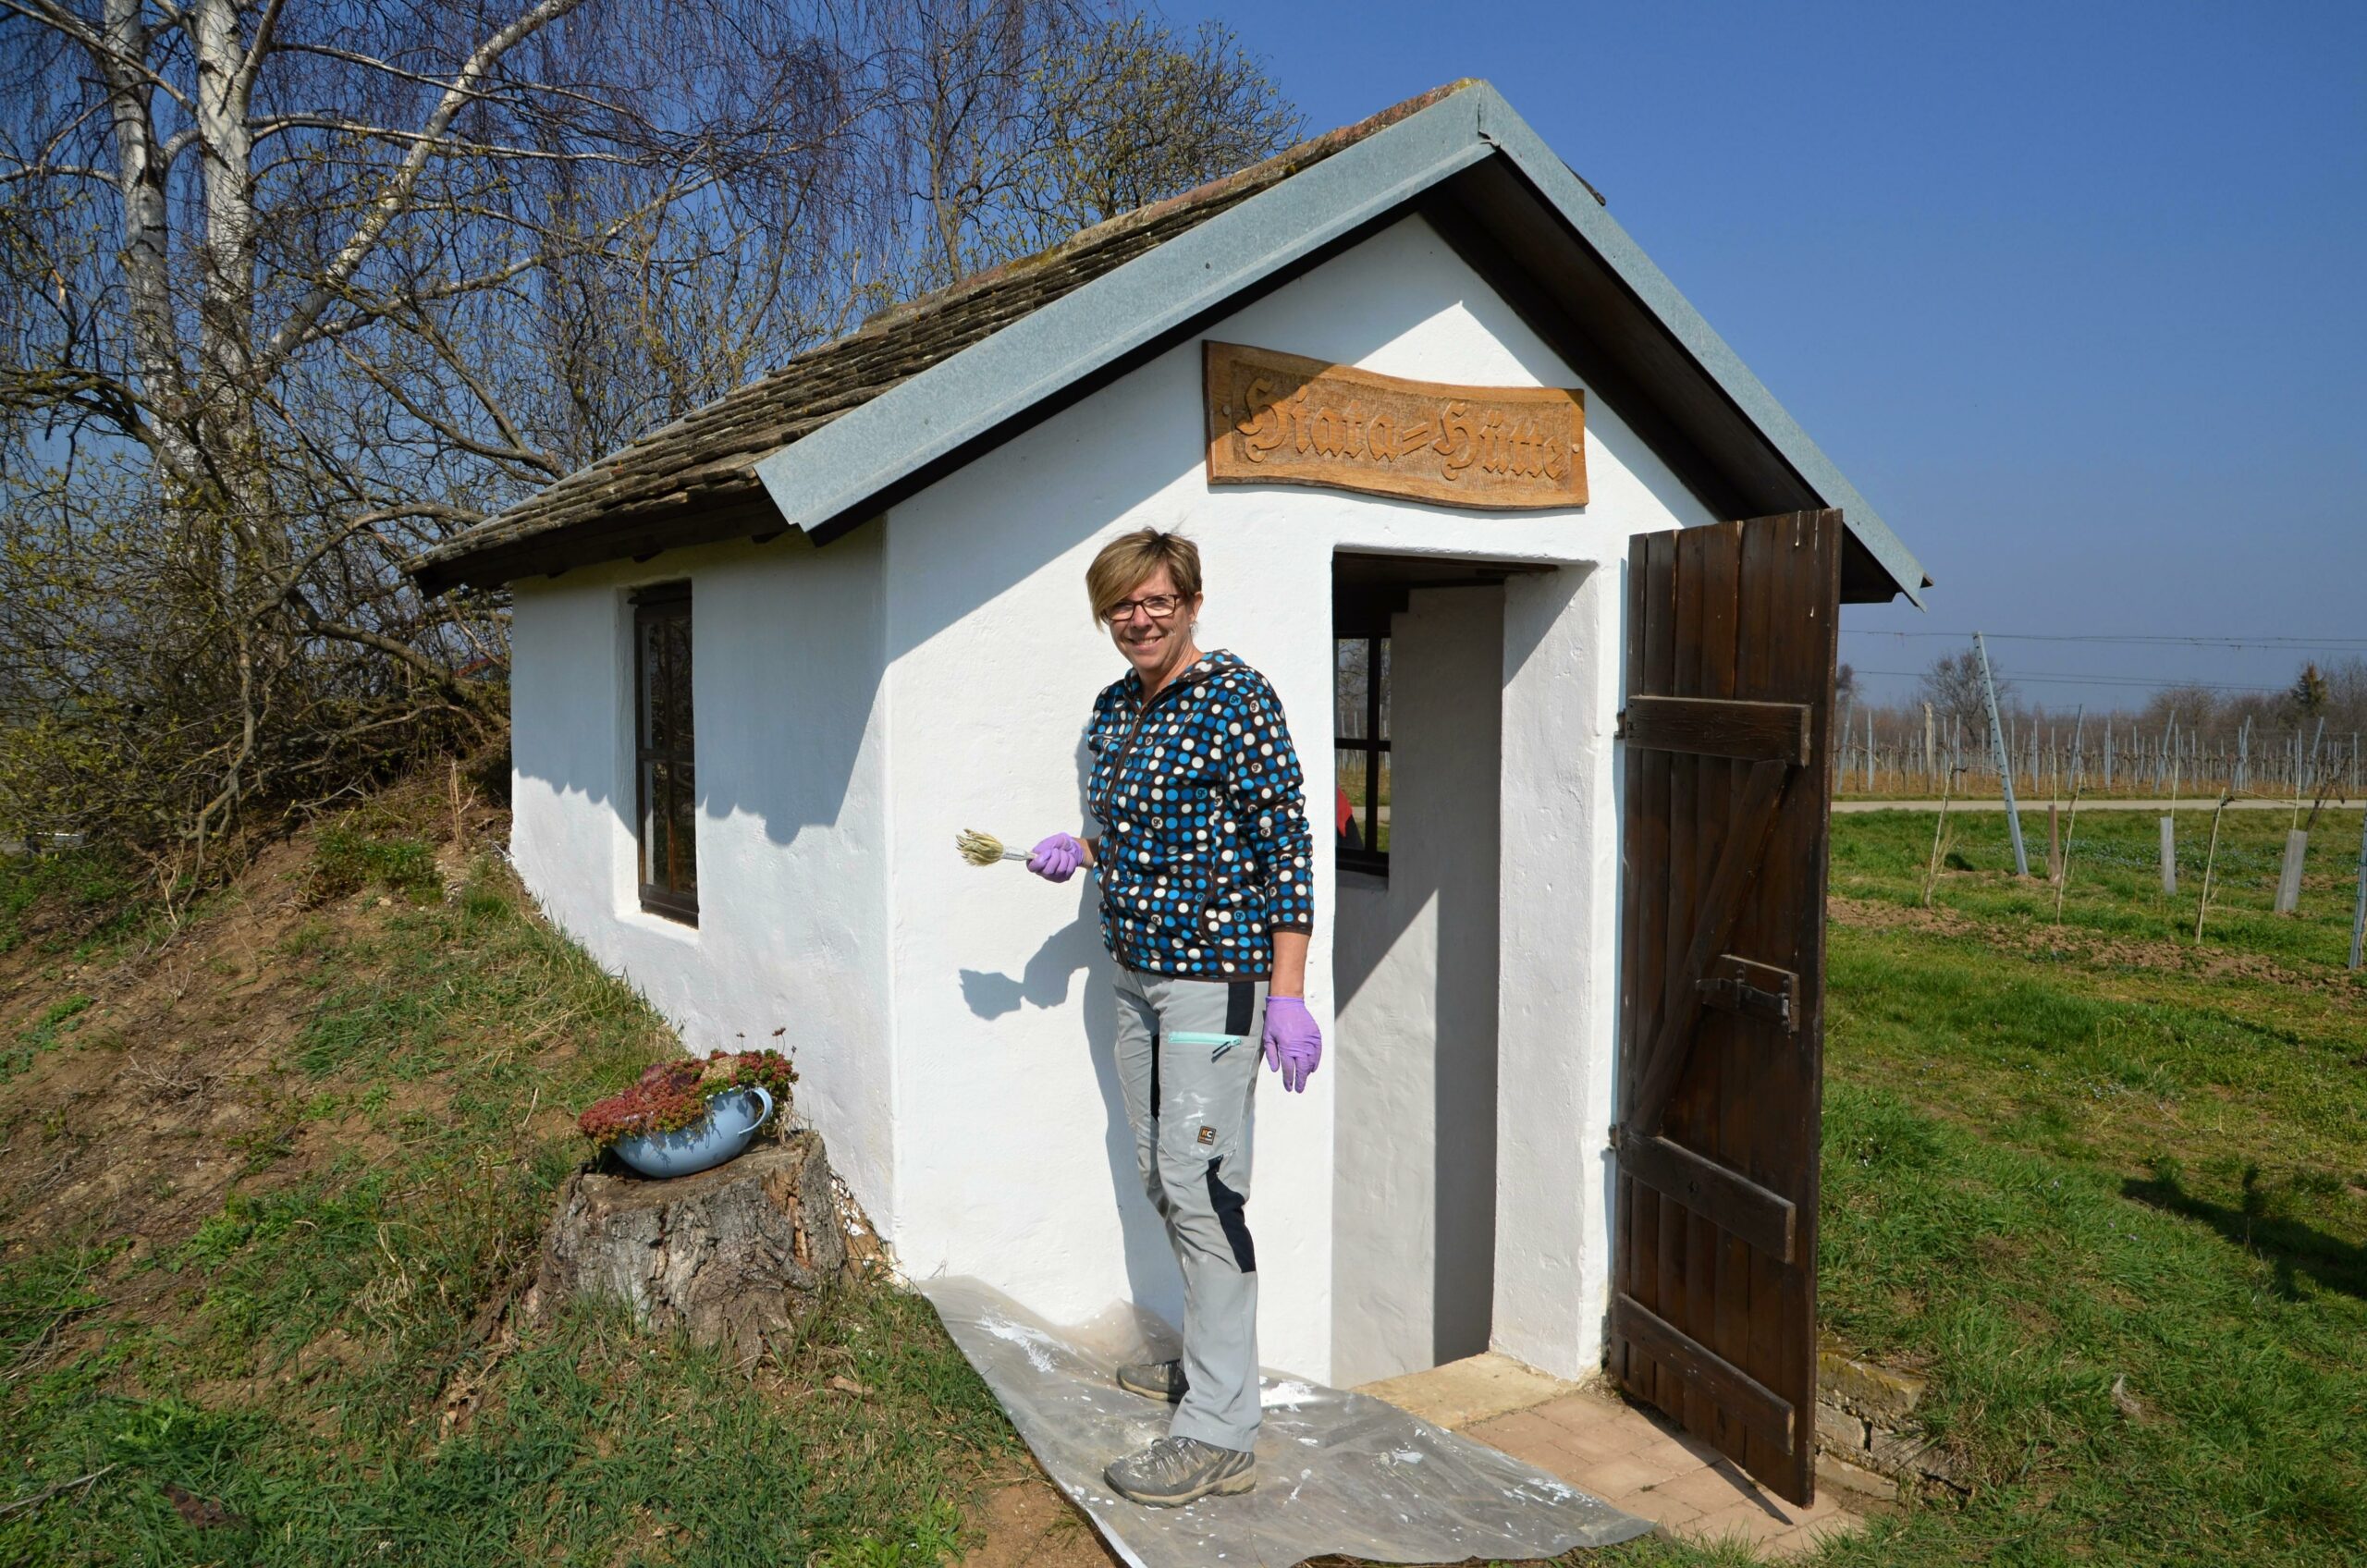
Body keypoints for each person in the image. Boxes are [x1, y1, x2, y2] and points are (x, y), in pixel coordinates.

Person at [1024, 526, 1321, 1508]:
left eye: (1155, 601)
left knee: (1204, 1190)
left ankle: (1220, 1432)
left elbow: (1284, 846)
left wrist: (1286, 993)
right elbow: (1141, 835)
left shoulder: (1237, 698)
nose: (1138, 619)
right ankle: (1209, 1366)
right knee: (1164, 1174)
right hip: (1135, 979)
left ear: (1190, 601)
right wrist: (1084, 846)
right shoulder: (1114, 711)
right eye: (1121, 605)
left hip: (1215, 984)